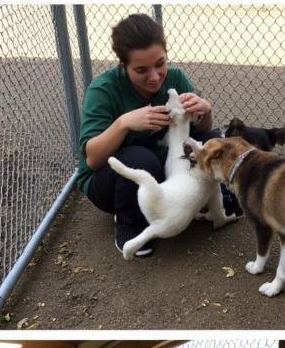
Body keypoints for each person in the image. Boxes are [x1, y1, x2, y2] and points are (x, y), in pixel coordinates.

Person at [77, 13, 239, 257]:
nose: (154, 77)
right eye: (141, 70)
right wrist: (123, 123)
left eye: (160, 63)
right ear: (123, 65)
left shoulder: (176, 78)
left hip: (168, 177)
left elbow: (202, 130)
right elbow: (93, 160)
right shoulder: (103, 89)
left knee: (213, 139)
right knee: (142, 159)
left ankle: (214, 196)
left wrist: (204, 109)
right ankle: (129, 220)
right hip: (109, 183)